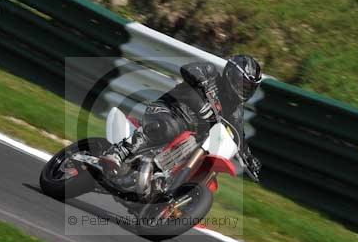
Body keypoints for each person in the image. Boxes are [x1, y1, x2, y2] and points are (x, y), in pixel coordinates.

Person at [100, 55, 263, 181]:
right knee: (170, 127)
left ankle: (163, 177)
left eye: (250, 88)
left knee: (198, 146)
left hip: (190, 135)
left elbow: (238, 134)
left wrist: (249, 157)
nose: (245, 91)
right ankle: (119, 152)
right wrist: (201, 95)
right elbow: (188, 69)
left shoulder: (235, 110)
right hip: (168, 110)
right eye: (244, 84)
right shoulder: (210, 73)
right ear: (231, 74)